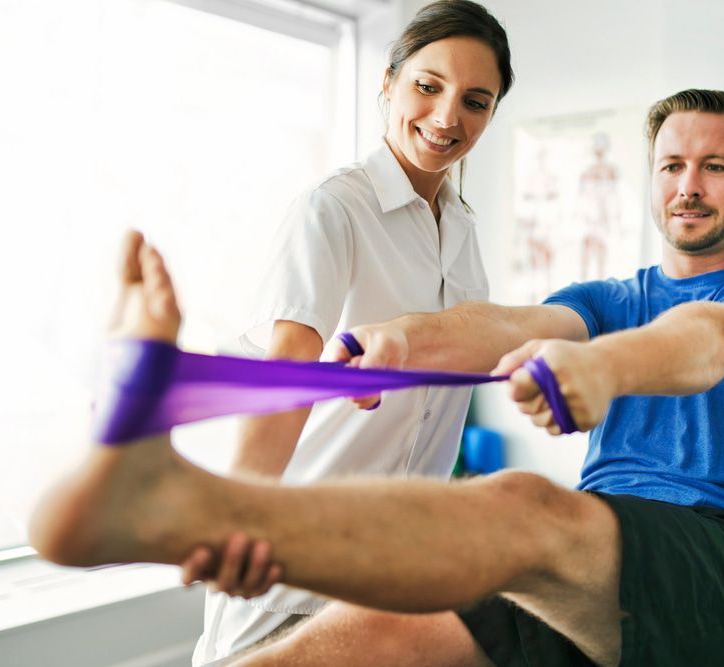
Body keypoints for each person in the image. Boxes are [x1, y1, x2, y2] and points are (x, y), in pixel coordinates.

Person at [30, 89, 724, 667]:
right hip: (593, 570)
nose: (688, 185)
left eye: (714, 166)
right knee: (356, 635)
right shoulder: (610, 297)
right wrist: (395, 340)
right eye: (672, 164)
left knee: (518, 500)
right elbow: (501, 323)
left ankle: (181, 506)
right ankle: (169, 500)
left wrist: (605, 365)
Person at [188, 2, 513, 663]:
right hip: (299, 555)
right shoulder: (336, 207)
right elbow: (285, 377)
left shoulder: (465, 235)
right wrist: (235, 519)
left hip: (399, 565)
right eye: (428, 86)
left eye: (475, 101)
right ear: (387, 83)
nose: (449, 117)